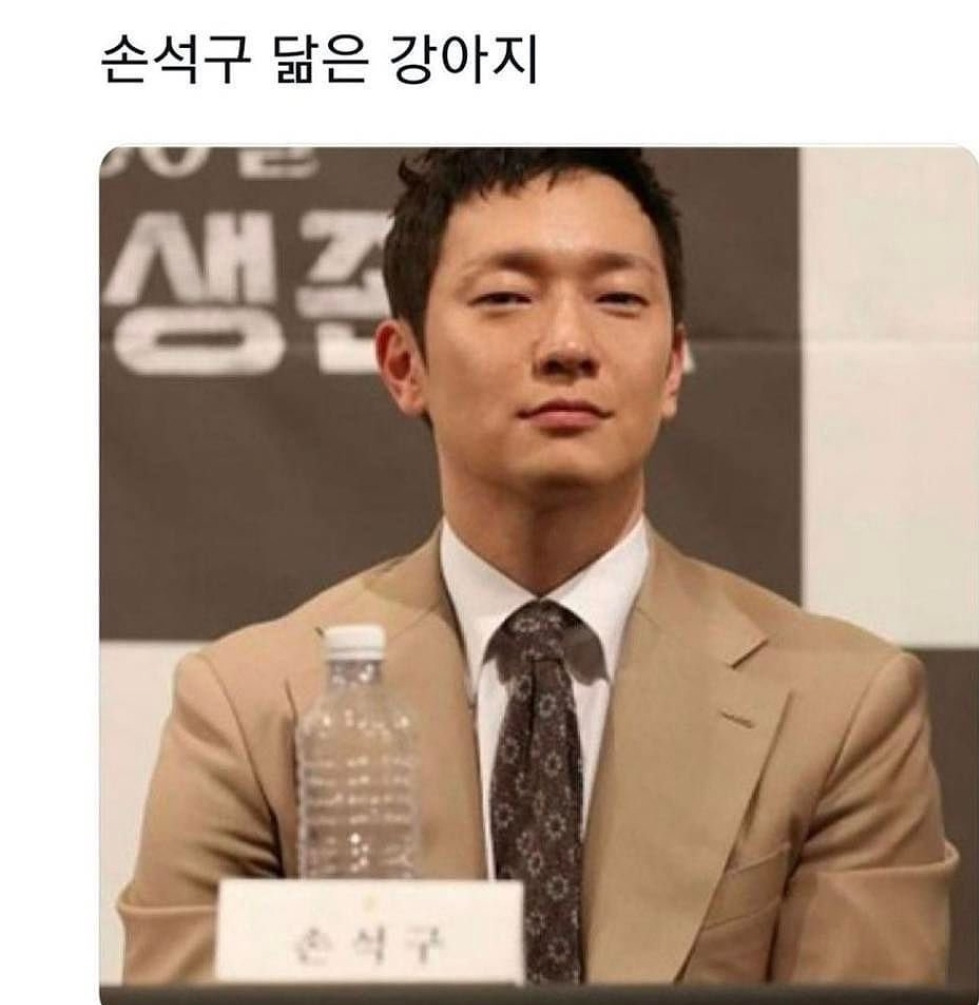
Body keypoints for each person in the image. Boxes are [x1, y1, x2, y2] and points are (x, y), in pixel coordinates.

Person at [118, 148, 957, 985]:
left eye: (618, 298)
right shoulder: (252, 707)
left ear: (671, 366)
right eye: (505, 298)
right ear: (405, 365)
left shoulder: (839, 707)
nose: (567, 344)